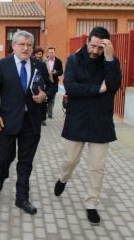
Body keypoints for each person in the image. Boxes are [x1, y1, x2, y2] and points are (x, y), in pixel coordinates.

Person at [54, 26, 121, 225]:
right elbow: (71, 87)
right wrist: (98, 89)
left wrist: (109, 59)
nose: (95, 51)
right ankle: (63, 179)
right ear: (87, 42)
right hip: (78, 118)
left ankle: (92, 204)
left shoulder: (111, 61)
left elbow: (114, 85)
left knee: (97, 167)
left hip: (101, 121)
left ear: (106, 46)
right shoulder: (74, 60)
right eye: (93, 46)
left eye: (100, 48)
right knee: (70, 160)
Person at [0, 30, 54, 214]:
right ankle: (1, 175)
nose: (25, 48)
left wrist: (45, 95)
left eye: (29, 45)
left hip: (31, 122)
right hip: (7, 121)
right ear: (14, 46)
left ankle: (21, 197)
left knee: (26, 161)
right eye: (22, 44)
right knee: (5, 157)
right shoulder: (2, 65)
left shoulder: (39, 65)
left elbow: (52, 85)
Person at [45, 47, 63, 118]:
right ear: (48, 53)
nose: (51, 54)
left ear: (54, 53)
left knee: (52, 98)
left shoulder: (59, 61)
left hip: (54, 82)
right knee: (45, 98)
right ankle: (44, 111)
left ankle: (50, 113)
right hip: (46, 82)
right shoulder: (45, 61)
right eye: (50, 52)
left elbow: (61, 72)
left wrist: (56, 72)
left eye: (52, 52)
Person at [33, 46, 47, 126]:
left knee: (43, 103)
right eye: (37, 54)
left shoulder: (43, 64)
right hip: (33, 86)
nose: (39, 55)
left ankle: (43, 119)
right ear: (34, 54)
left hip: (41, 86)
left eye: (40, 54)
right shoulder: (31, 63)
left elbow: (45, 76)